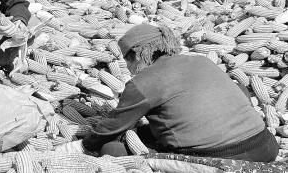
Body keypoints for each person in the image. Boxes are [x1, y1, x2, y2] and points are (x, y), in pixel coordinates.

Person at [57, 24, 279, 162]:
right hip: (266, 145)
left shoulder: (144, 81)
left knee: (112, 148)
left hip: (221, 159)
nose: (126, 66)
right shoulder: (201, 60)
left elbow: (115, 125)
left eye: (126, 59)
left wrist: (82, 146)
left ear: (137, 54)